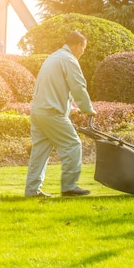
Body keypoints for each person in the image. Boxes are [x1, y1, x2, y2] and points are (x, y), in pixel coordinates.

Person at [24, 31, 96, 197]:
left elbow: (55, 88)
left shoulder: (54, 57)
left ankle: (32, 190)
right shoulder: (69, 60)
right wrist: (88, 109)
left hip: (39, 111)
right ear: (78, 45)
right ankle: (69, 186)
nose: (83, 52)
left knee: (40, 151)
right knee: (73, 144)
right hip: (51, 113)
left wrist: (71, 109)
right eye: (83, 48)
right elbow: (78, 86)